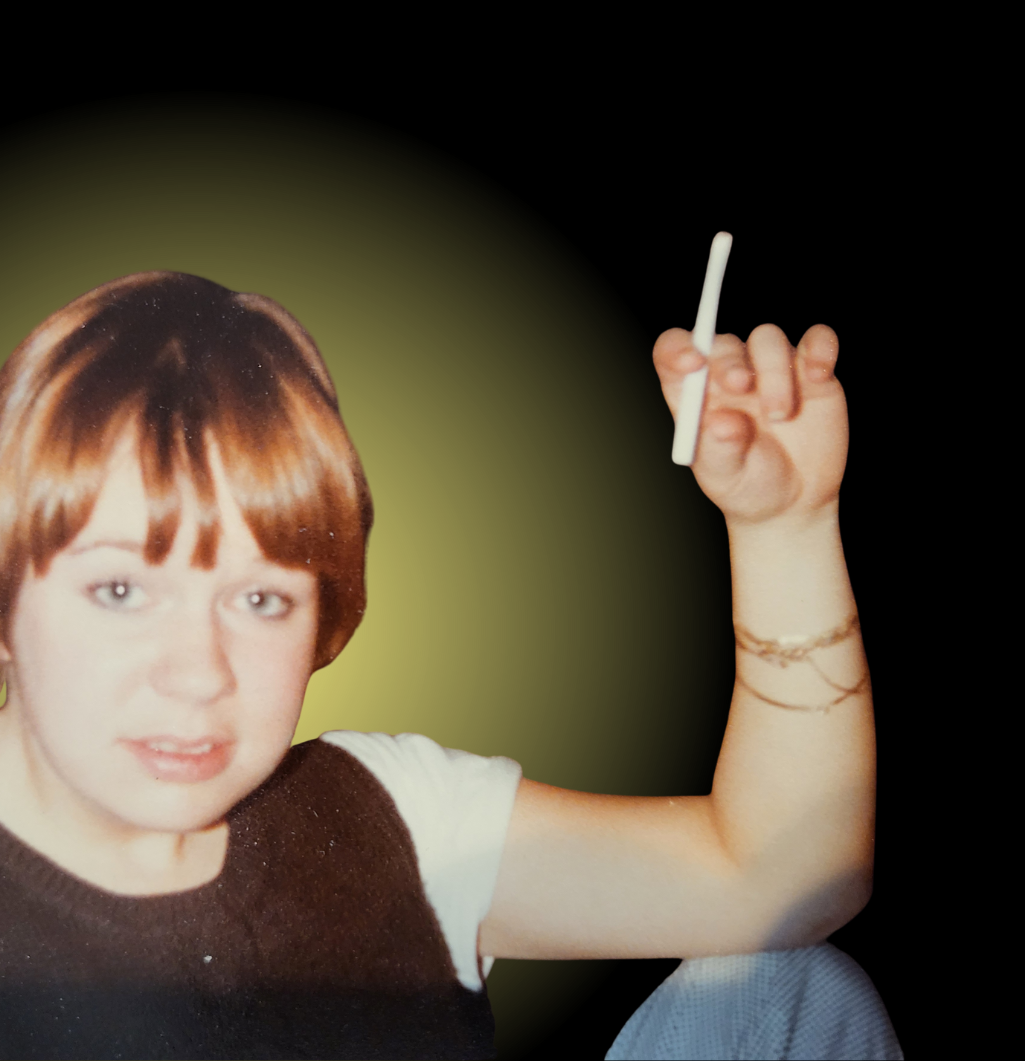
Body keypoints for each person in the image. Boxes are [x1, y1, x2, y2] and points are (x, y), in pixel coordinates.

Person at [0, 271, 901, 1059]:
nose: (199, 674)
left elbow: (781, 876)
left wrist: (786, 527)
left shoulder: (390, 814)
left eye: (261, 598)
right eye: (119, 589)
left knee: (788, 993)